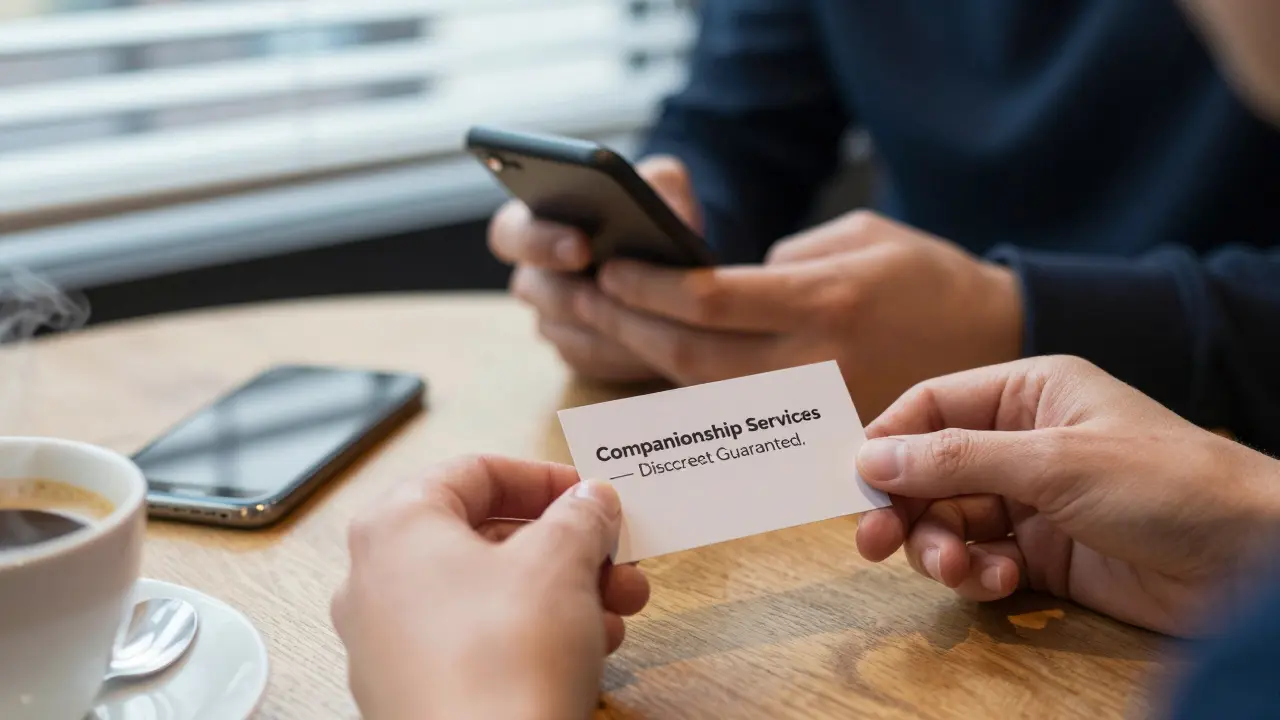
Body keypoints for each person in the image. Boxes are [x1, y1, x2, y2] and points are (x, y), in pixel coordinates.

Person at [488, 1, 1280, 452]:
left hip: (1229, 462)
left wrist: (1019, 321)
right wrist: (659, 251)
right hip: (893, 447)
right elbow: (736, 123)